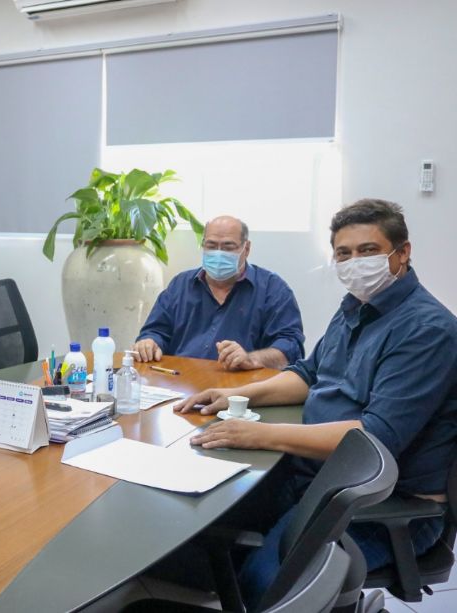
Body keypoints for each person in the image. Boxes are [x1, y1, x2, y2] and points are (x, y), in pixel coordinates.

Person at [175, 199, 457, 609]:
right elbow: (308, 374)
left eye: (368, 250)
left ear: (402, 253)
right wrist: (236, 397)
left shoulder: (427, 330)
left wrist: (260, 435)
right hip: (316, 480)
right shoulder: (355, 309)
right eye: (344, 253)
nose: (354, 262)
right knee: (195, 525)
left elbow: (374, 439)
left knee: (264, 586)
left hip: (376, 504)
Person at [133, 216, 304, 370]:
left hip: (241, 387)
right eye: (211, 246)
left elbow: (291, 348)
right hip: (179, 381)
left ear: (246, 248)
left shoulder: (273, 290)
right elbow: (155, 331)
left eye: (228, 247)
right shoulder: (181, 285)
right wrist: (149, 343)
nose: (219, 253)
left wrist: (251, 359)